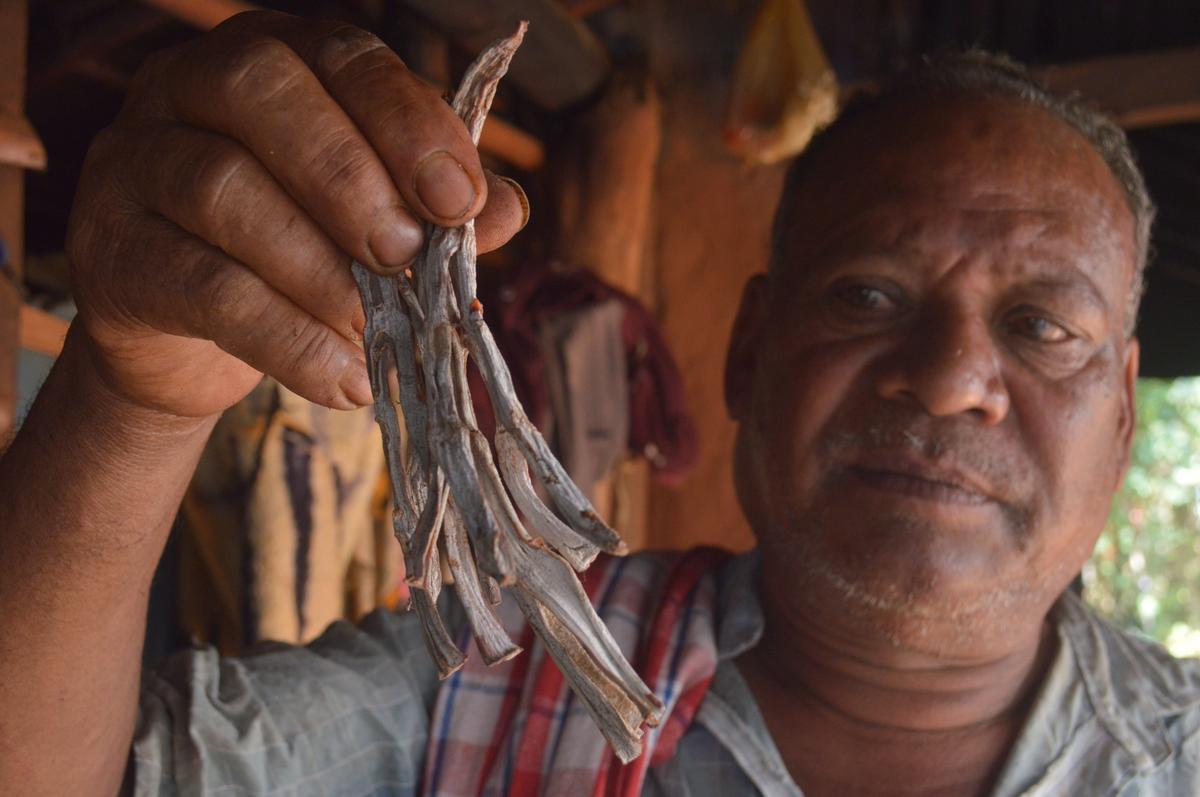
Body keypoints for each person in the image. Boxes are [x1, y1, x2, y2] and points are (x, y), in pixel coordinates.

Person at [1, 10, 1197, 797]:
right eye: (869, 294)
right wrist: (133, 392)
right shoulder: (490, 664)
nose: (944, 376)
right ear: (746, 352)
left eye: (1043, 325)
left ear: (1127, 420)